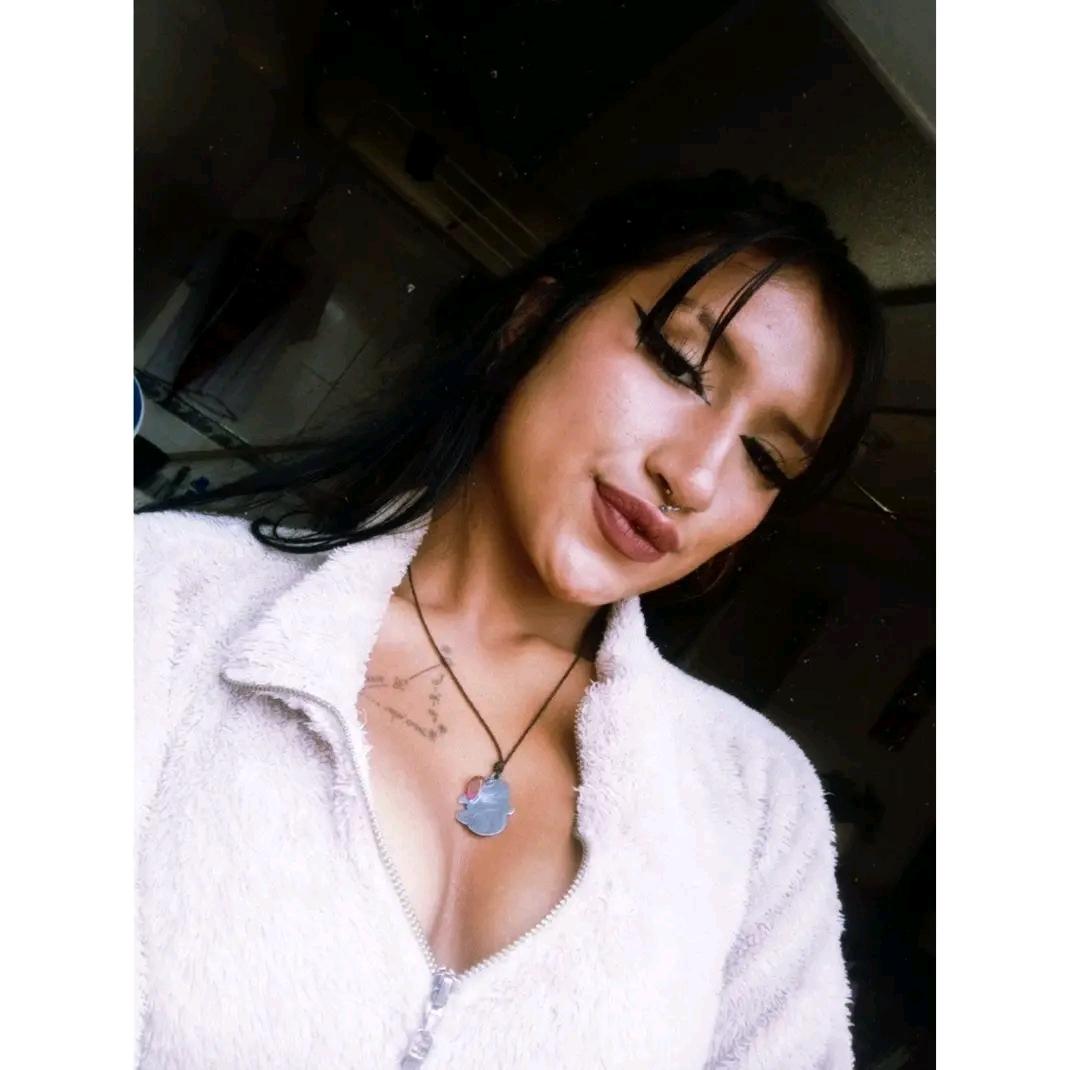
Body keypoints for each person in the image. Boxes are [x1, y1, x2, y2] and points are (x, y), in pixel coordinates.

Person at [134, 170, 884, 1069]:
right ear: (531, 323)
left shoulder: (756, 803)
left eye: (764, 458)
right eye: (681, 366)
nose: (694, 475)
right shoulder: (162, 596)